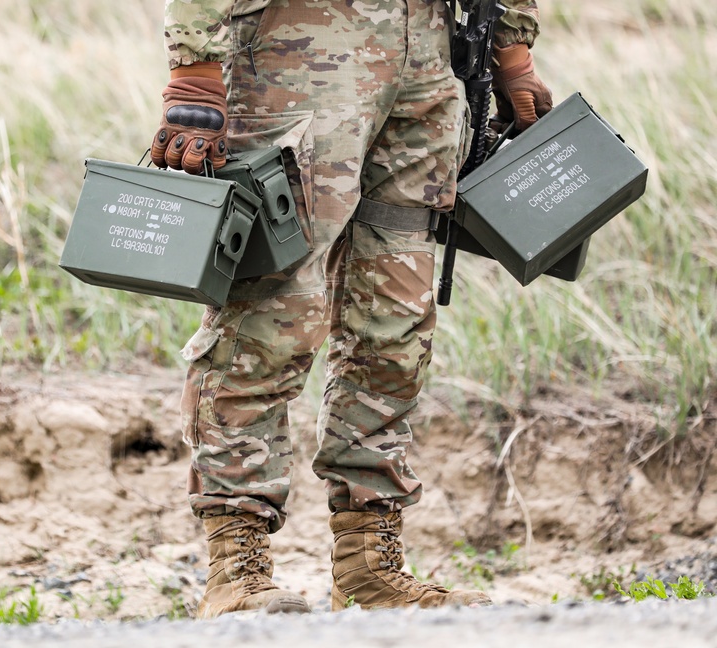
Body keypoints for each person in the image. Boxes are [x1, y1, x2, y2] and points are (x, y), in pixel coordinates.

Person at [150, 0, 553, 617]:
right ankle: (236, 565)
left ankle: (369, 567)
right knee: (271, 308)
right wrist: (196, 63)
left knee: (396, 312)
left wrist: (512, 47)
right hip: (299, 43)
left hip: (431, 51)